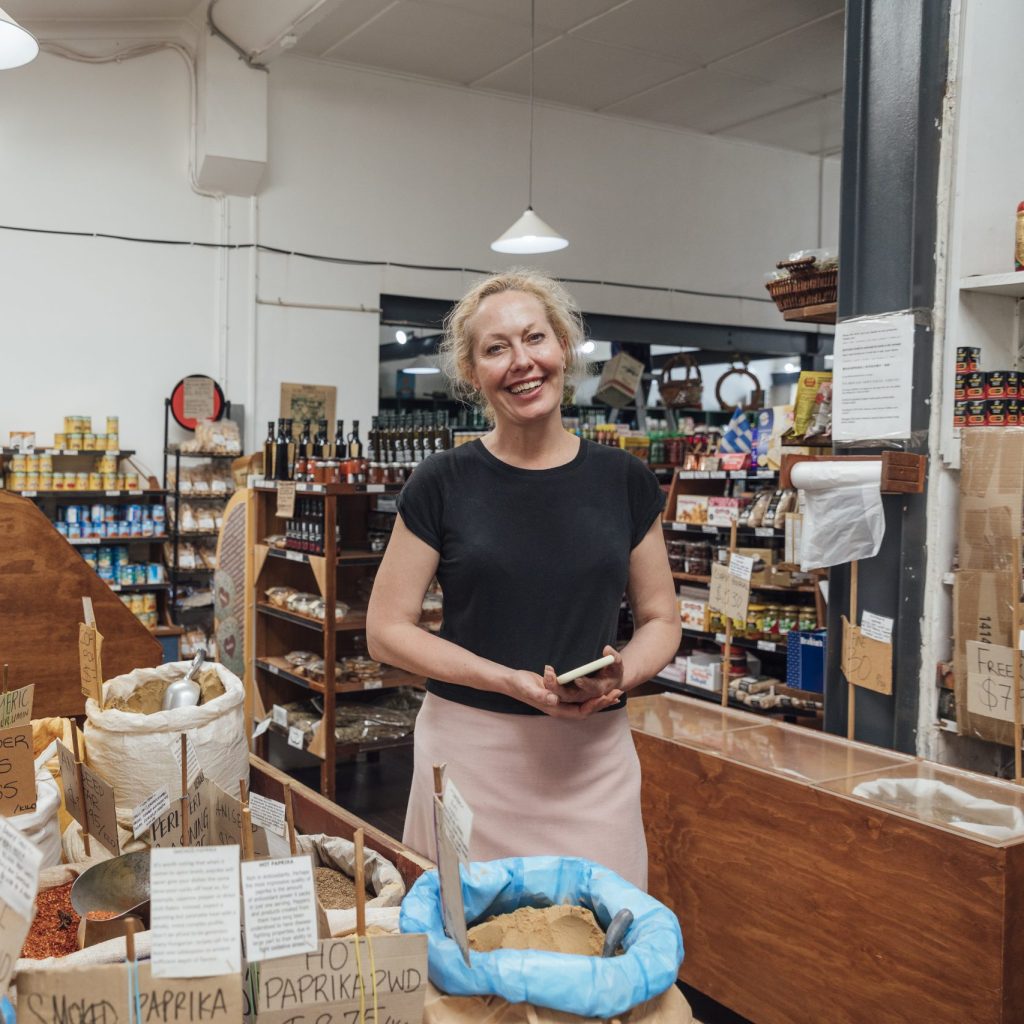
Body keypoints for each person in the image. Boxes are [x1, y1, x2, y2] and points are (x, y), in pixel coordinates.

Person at [366, 269, 680, 889]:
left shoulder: (624, 479)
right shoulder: (442, 482)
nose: (521, 362)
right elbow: (385, 630)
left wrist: (625, 671)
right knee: (469, 960)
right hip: (470, 756)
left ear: (563, 346)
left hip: (593, 762)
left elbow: (661, 619)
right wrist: (505, 681)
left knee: (601, 950)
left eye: (535, 338)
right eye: (495, 348)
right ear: (472, 372)